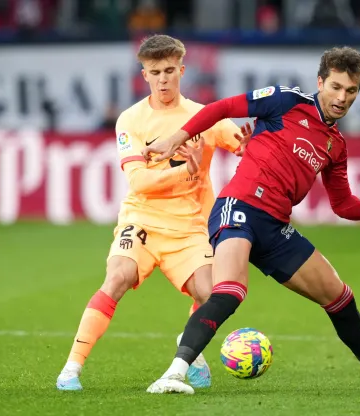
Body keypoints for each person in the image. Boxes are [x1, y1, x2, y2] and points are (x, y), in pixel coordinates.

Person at [142, 46, 360, 394]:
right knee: (231, 291)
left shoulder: (335, 144)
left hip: (275, 226)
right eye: (336, 87)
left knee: (339, 296)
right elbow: (222, 108)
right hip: (239, 206)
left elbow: (341, 203)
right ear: (320, 82)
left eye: (351, 91)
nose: (342, 98)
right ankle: (173, 374)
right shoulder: (284, 101)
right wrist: (176, 138)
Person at [55, 34, 251, 391]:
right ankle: (71, 367)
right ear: (143, 74)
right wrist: (187, 171)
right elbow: (141, 182)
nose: (163, 79)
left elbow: (243, 146)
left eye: (170, 70)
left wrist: (251, 146)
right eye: (155, 71)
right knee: (117, 277)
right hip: (142, 219)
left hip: (190, 227)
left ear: (182, 70)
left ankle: (190, 349)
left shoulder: (203, 117)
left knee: (212, 294)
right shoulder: (130, 120)